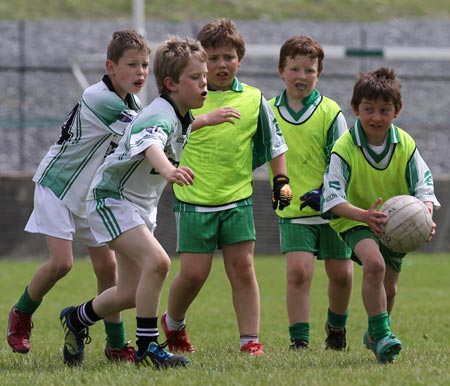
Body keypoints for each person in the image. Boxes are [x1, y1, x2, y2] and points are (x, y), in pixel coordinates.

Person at [58, 35, 208, 368]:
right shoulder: (161, 115)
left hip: (136, 207)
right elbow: (151, 143)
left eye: (205, 77)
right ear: (171, 83)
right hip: (111, 201)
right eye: (196, 78)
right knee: (159, 262)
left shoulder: (177, 113)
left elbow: (176, 129)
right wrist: (169, 169)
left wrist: (206, 121)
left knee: (127, 293)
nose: (204, 85)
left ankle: (76, 319)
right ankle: (147, 348)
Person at [7, 30, 151, 362]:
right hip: (58, 186)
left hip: (89, 195)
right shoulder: (100, 97)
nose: (141, 72)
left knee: (107, 267)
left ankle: (115, 344)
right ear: (110, 67)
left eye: (145, 65)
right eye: (132, 65)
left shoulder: (135, 102)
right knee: (62, 263)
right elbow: (143, 134)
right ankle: (21, 314)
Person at [161, 18, 291, 356]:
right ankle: (173, 323)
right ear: (202, 61)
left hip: (238, 199)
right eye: (214, 58)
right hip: (194, 199)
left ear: (240, 60)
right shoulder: (186, 97)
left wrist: (281, 181)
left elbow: (274, 143)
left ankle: (250, 340)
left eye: (229, 57)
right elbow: (165, 136)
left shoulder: (253, 99)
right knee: (193, 275)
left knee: (243, 268)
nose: (221, 65)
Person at [321, 67, 440, 363]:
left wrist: (425, 214)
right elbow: (332, 198)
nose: (376, 117)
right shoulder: (344, 148)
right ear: (355, 108)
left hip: (394, 224)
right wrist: (363, 215)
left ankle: (374, 334)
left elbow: (423, 184)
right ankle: (383, 334)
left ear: (397, 111)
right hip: (353, 217)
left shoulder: (406, 145)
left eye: (384, 110)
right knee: (374, 264)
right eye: (369, 109)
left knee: (391, 289)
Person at [268, 35, 353, 351]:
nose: (301, 76)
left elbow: (342, 161)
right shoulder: (268, 111)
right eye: (295, 69)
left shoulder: (331, 112)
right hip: (292, 208)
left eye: (309, 70)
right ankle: (299, 340)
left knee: (341, 274)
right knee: (299, 272)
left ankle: (336, 330)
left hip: (332, 207)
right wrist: (280, 185)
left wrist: (326, 192)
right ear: (281, 71)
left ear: (319, 73)